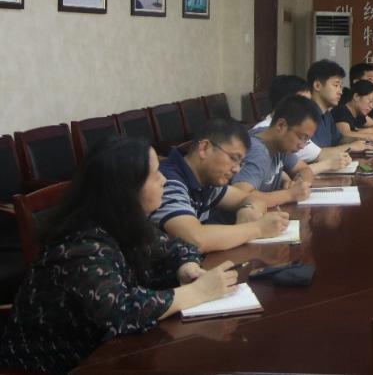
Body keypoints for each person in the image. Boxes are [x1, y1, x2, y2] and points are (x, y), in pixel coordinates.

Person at [0, 136, 238, 374]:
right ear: (127, 189)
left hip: (109, 354)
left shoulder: (125, 221)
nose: (164, 180)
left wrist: (186, 268)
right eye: (155, 174)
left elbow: (179, 248)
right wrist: (198, 292)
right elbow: (121, 311)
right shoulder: (81, 245)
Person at [150, 118, 290, 252]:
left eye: (240, 163)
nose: (236, 169)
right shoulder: (167, 181)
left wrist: (248, 209)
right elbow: (195, 239)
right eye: (233, 158)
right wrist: (258, 228)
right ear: (204, 148)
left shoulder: (206, 180)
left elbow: (252, 199)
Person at [253, 74, 357, 174]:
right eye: (303, 102)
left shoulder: (292, 130)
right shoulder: (273, 134)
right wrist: (329, 164)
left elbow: (298, 170)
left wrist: (286, 179)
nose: (310, 107)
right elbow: (318, 157)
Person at [231, 95, 319, 207]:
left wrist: (300, 184)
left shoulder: (279, 143)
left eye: (306, 140)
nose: (302, 146)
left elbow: (304, 169)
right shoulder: (257, 152)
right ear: (281, 125)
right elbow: (240, 196)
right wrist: (290, 194)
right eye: (301, 137)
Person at [306, 58, 347, 147]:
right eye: (336, 85)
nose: (340, 92)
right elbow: (316, 153)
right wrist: (355, 145)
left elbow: (338, 140)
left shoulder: (327, 114)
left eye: (341, 87)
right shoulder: (306, 114)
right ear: (317, 85)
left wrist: (364, 140)